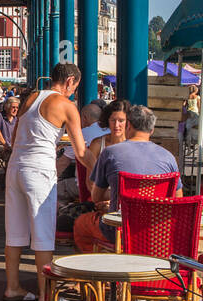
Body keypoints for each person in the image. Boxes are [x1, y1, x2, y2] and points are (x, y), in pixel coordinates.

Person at [3, 63, 86, 301]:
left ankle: (12, 287)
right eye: (75, 87)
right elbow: (80, 152)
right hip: (39, 171)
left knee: (15, 232)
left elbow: (19, 134)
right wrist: (97, 166)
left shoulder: (30, 98)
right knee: (43, 235)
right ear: (70, 81)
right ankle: (45, 294)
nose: (73, 92)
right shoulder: (66, 105)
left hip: (16, 168)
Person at [73, 105, 179, 253]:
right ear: (152, 130)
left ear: (128, 126)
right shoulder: (169, 158)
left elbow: (96, 196)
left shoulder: (110, 153)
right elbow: (177, 199)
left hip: (119, 230)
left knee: (81, 224)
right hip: (157, 231)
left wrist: (118, 196)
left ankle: (101, 267)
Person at [81, 99, 131, 182]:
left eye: (121, 121)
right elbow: (90, 181)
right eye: (113, 120)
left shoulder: (133, 144)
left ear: (128, 122)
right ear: (107, 120)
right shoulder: (97, 144)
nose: (116, 125)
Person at [0, 96, 20, 165]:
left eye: (17, 108)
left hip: (12, 146)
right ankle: (8, 174)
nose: (15, 110)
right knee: (10, 154)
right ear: (7, 107)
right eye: (13, 107)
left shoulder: (16, 119)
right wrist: (5, 144)